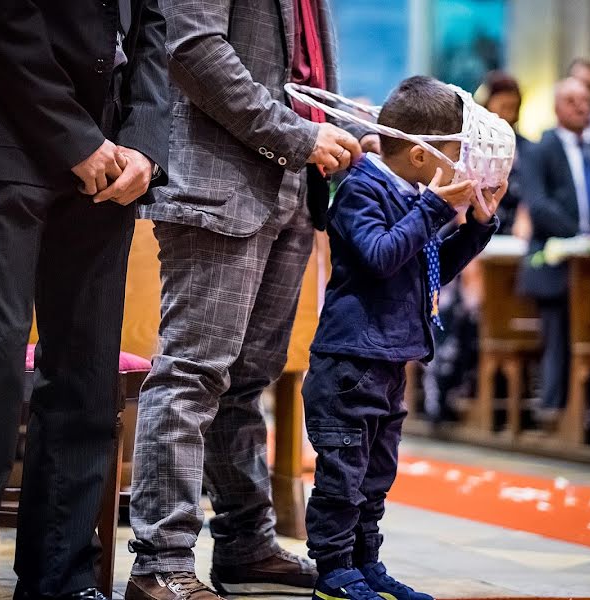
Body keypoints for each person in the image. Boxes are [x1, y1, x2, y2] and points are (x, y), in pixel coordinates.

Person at [0, 1, 169, 599]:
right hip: (10, 127)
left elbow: (155, 25)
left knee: (87, 367)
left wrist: (145, 145)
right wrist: (73, 137)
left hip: (114, 151)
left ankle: (63, 578)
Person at [126, 0, 362, 598]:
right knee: (192, 375)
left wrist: (368, 137)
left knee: (247, 380)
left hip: (293, 185)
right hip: (218, 177)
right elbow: (195, 53)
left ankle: (245, 543)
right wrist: (299, 136)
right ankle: (162, 560)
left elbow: (303, 81)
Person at [302, 76, 505, 600]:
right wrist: (436, 209)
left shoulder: (409, 194)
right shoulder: (362, 189)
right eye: (456, 153)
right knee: (342, 475)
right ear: (420, 155)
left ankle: (366, 562)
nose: (461, 164)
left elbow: (425, 270)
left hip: (387, 361)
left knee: (375, 475)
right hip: (349, 363)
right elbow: (381, 255)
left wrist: (477, 226)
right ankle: (333, 569)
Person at [517, 77, 590, 416]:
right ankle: (555, 409)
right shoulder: (540, 150)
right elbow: (538, 204)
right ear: (557, 107)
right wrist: (581, 236)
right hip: (556, 261)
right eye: (572, 100)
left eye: (585, 100)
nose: (582, 106)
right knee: (558, 340)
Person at [474, 71, 533, 234]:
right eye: (503, 107)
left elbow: (531, 190)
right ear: (486, 104)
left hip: (514, 227)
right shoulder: (471, 144)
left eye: (512, 108)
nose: (508, 114)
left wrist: (524, 218)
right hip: (474, 223)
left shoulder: (527, 147)